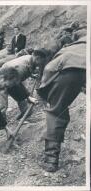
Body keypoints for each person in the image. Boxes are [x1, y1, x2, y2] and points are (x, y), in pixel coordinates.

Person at [37, 36, 86, 172]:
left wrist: (42, 89)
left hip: (71, 70)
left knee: (56, 112)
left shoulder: (67, 51)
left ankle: (51, 160)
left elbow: (48, 69)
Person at [0, 49, 47, 120]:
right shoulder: (22, 67)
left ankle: (25, 114)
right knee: (3, 101)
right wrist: (28, 96)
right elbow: (17, 84)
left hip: (12, 76)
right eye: (41, 62)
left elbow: (28, 70)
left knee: (20, 95)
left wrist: (32, 75)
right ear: (37, 58)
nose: (41, 64)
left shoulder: (30, 58)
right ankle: (0, 120)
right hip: (4, 78)